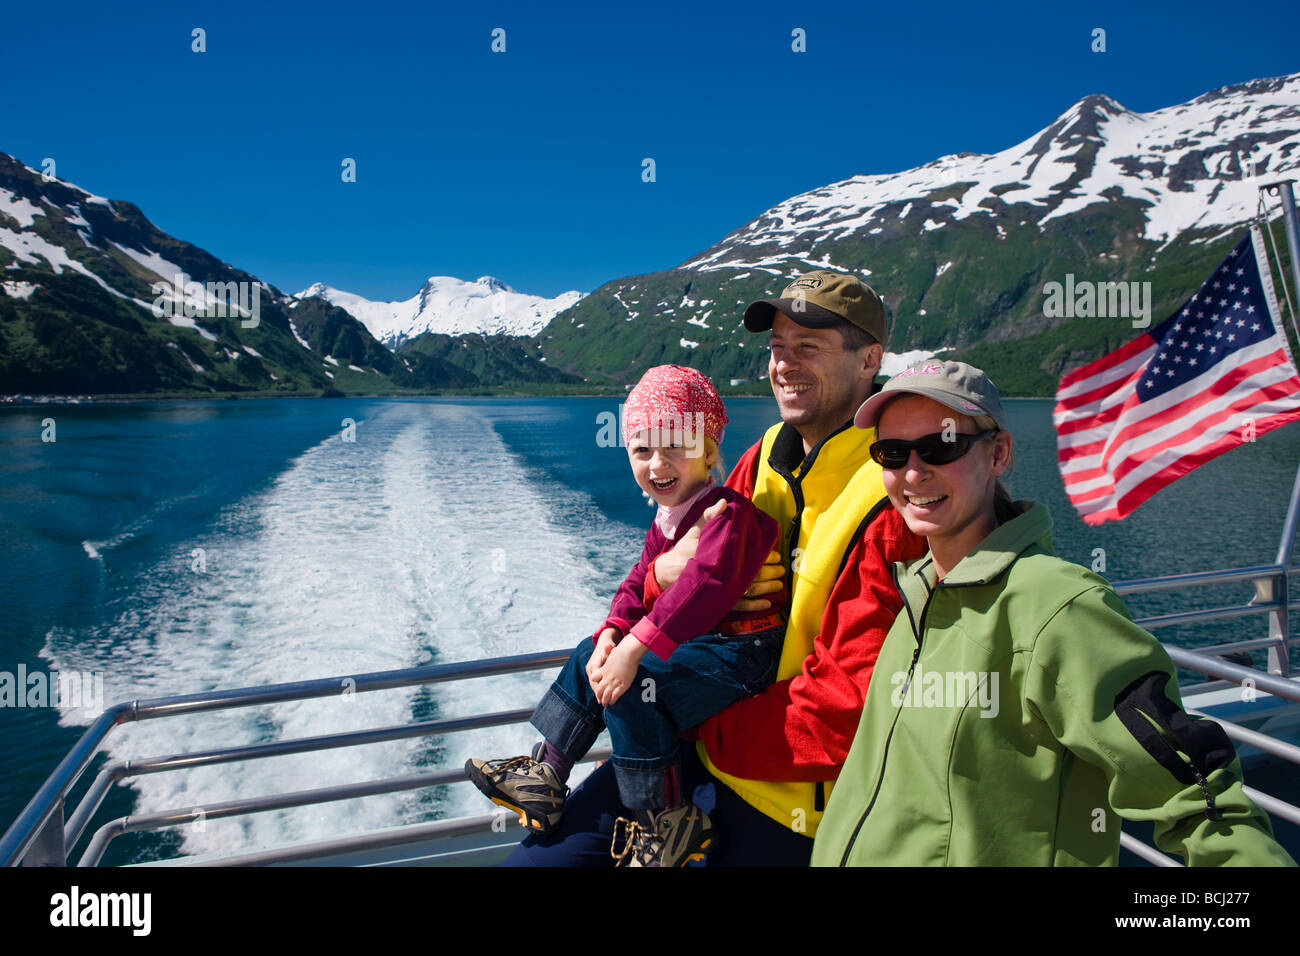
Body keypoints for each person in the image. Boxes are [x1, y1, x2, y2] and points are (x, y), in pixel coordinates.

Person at [502, 270, 928, 866]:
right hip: (686, 745)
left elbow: (844, 712)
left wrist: (668, 714)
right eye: (778, 347)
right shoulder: (763, 458)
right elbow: (687, 573)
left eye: (809, 346)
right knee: (534, 863)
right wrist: (657, 582)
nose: (785, 364)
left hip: (797, 804)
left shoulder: (892, 499)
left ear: (869, 360)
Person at [811, 360, 1297, 866]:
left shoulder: (1060, 606)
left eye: (943, 446)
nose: (913, 471)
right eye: (892, 453)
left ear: (998, 454)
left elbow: (1197, 800)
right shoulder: (918, 593)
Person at [465, 365, 787, 866]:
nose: (658, 463)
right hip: (697, 647)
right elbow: (642, 581)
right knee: (594, 652)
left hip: (741, 657)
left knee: (633, 685)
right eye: (642, 449)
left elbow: (705, 587)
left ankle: (668, 819)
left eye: (674, 445)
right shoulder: (669, 518)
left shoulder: (728, 515)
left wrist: (635, 648)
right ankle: (549, 772)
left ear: (707, 450)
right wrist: (615, 632)